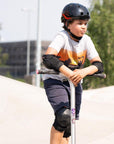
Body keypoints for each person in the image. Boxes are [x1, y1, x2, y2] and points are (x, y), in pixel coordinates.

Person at [42, 3, 103, 144]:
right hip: (56, 81)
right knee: (63, 116)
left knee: (69, 125)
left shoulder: (87, 40)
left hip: (75, 84)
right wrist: (69, 73)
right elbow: (48, 58)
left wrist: (84, 71)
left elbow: (98, 65)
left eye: (85, 24)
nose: (84, 27)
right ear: (68, 24)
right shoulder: (62, 37)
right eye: (80, 23)